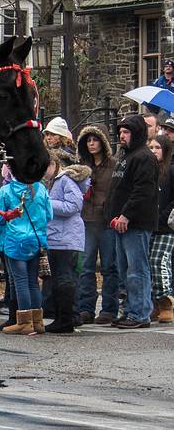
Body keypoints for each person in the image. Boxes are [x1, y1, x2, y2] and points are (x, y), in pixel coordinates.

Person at [0, 167, 52, 335]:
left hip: (15, 241)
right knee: (33, 282)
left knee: (20, 282)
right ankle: (37, 322)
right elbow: (49, 215)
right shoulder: (40, 188)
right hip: (36, 241)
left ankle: (24, 322)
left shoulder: (6, 190)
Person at [107, 114, 158, 329]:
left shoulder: (144, 157)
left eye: (126, 132)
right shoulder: (126, 156)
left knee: (137, 270)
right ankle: (130, 310)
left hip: (135, 224)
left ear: (136, 133)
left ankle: (140, 313)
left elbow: (142, 191)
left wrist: (126, 215)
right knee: (124, 270)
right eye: (120, 132)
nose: (121, 136)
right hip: (120, 223)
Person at [42, 150, 90, 333]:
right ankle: (61, 317)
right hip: (55, 238)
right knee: (57, 279)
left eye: (47, 166)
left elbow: (74, 206)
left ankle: (67, 319)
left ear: (54, 164)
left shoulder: (65, 180)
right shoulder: (51, 183)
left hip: (67, 238)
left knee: (64, 278)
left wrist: (48, 203)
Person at [75, 125, 119, 325]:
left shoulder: (114, 165)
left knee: (110, 266)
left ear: (103, 142)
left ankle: (109, 309)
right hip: (86, 219)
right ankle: (86, 308)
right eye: (88, 140)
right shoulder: (81, 166)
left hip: (107, 220)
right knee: (86, 266)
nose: (91, 144)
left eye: (95, 139)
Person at [146, 134, 174, 323]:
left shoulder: (171, 171)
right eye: (151, 147)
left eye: (157, 147)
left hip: (166, 226)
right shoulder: (147, 171)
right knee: (148, 263)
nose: (154, 151)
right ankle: (155, 303)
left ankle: (166, 302)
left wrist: (163, 215)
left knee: (159, 261)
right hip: (148, 224)